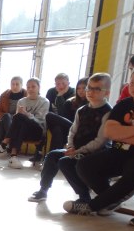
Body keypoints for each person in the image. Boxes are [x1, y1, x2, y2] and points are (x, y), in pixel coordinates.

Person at [65, 63, 134, 222]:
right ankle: (110, 200)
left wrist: (122, 134)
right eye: (132, 83)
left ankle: (91, 206)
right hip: (118, 151)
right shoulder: (124, 104)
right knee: (84, 165)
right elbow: (110, 132)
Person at [28, 73, 113, 203]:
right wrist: (70, 147)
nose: (90, 92)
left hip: (97, 153)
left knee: (65, 162)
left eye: (97, 89)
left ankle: (84, 196)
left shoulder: (108, 112)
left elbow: (100, 141)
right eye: (89, 88)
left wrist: (78, 151)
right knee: (52, 156)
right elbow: (72, 131)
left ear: (106, 93)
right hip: (77, 150)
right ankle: (43, 190)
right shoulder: (81, 110)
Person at [0, 78, 49, 169]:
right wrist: (23, 115)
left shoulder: (45, 101)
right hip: (24, 132)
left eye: (33, 87)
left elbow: (40, 121)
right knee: (18, 121)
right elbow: (17, 121)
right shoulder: (21, 101)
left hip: (37, 131)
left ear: (39, 87)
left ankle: (3, 145)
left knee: (19, 117)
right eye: (28, 87)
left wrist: (26, 114)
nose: (30, 89)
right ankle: (13, 158)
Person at [45, 76, 85, 153]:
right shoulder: (71, 101)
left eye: (63, 83)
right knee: (56, 126)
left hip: (76, 128)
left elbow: (62, 114)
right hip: (65, 125)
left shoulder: (72, 93)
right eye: (58, 84)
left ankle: (52, 156)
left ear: (68, 83)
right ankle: (53, 156)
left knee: (55, 125)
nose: (61, 86)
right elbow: (62, 114)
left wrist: (60, 96)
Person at [0, 76, 26, 155]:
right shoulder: (4, 95)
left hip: (20, 121)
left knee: (2, 123)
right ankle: (9, 145)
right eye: (12, 84)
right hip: (6, 119)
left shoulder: (26, 96)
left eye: (17, 84)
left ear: (21, 85)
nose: (14, 86)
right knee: (5, 118)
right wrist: (7, 116)